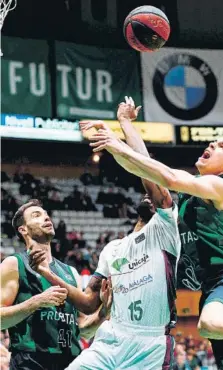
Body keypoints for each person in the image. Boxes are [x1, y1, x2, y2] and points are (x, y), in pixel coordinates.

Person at [85, 96, 223, 370]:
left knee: (210, 324)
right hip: (212, 287)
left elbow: (170, 177)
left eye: (221, 146)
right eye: (213, 141)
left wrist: (116, 143)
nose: (212, 144)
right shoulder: (188, 201)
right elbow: (145, 168)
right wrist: (125, 125)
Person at [29, 102, 182, 370]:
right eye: (146, 190)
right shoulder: (112, 248)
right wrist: (45, 271)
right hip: (110, 339)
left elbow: (148, 169)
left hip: (149, 345)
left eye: (156, 192)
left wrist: (124, 125)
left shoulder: (165, 230)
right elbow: (88, 304)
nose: (150, 192)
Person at [0, 199, 112, 370]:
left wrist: (103, 313)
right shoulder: (14, 264)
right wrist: (36, 302)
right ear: (23, 229)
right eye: (37, 215)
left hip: (70, 361)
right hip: (30, 361)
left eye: (46, 214)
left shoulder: (70, 272)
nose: (46, 218)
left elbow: (82, 329)